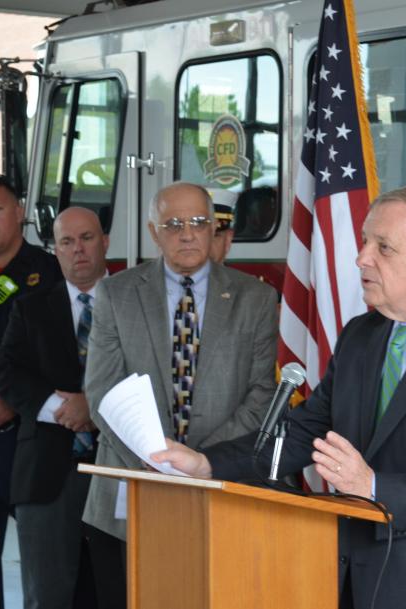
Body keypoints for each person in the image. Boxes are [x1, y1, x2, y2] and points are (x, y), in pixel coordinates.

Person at [153, 185, 406, 609]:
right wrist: (208, 463)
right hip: (350, 579)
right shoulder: (362, 335)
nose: (361, 258)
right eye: (363, 241)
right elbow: (305, 433)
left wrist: (374, 486)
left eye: (383, 247)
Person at [81, 182, 279, 608]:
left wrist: (202, 464)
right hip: (133, 489)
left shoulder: (257, 298)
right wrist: (157, 463)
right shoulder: (116, 294)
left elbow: (262, 395)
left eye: (198, 222)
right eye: (173, 224)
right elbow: (102, 391)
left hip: (223, 486)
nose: (187, 233)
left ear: (214, 230)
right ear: (154, 232)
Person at [0, 207, 106, 609]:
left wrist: (95, 408)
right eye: (67, 241)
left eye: (87, 238)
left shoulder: (135, 302)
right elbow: (6, 373)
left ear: (105, 242)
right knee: (47, 597)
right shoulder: (29, 306)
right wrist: (63, 408)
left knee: (119, 592)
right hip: (46, 474)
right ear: (55, 251)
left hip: (120, 474)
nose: (78, 250)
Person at [0, 174, 62, 609]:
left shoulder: (53, 271)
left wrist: (13, 401)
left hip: (37, 435)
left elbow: (73, 355)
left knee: (49, 560)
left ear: (20, 212)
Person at [208, 189, 235, 263]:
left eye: (214, 236)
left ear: (228, 240)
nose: (205, 245)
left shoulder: (239, 275)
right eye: (198, 236)